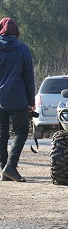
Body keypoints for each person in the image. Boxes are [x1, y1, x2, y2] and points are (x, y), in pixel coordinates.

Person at [0, 17, 35, 182]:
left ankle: (4, 170)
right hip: (18, 98)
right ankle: (10, 166)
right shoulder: (23, 49)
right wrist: (31, 101)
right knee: (21, 131)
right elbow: (28, 77)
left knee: (1, 134)